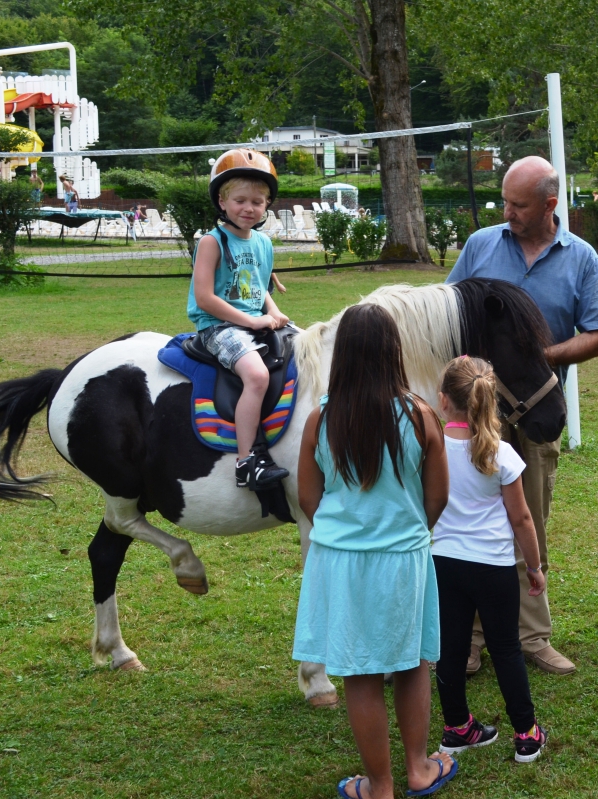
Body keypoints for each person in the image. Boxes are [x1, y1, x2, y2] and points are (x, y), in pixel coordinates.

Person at [447, 155, 598, 677]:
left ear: (550, 204)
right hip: (474, 416)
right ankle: (472, 641)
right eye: (505, 202)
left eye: (518, 205)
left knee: (529, 522)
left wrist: (539, 361)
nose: (508, 212)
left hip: (538, 414)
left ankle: (532, 637)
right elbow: (446, 308)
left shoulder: (581, 258)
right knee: (471, 524)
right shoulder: (481, 245)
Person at [293, 304, 455, 799]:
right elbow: (438, 496)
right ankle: (419, 769)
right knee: (411, 665)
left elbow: (307, 496)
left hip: (339, 561)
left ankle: (378, 786)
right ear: (394, 352)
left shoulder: (320, 417)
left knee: (359, 674)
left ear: (341, 356)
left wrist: (345, 533)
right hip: (402, 558)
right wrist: (408, 529)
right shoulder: (421, 415)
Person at [432, 356, 549, 764]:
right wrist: (534, 568)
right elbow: (522, 518)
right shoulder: (502, 453)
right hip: (494, 567)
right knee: (505, 649)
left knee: (450, 647)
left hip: (442, 562)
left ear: (443, 401)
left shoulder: (429, 447)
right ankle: (527, 735)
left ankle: (457, 728)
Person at [186, 148, 291, 490]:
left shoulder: (263, 243)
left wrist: (272, 312)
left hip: (252, 321)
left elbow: (257, 286)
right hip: (217, 327)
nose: (249, 208)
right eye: (240, 200)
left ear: (267, 206)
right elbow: (205, 298)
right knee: (257, 376)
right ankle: (247, 460)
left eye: (258, 202)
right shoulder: (211, 243)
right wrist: (252, 322)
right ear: (222, 201)